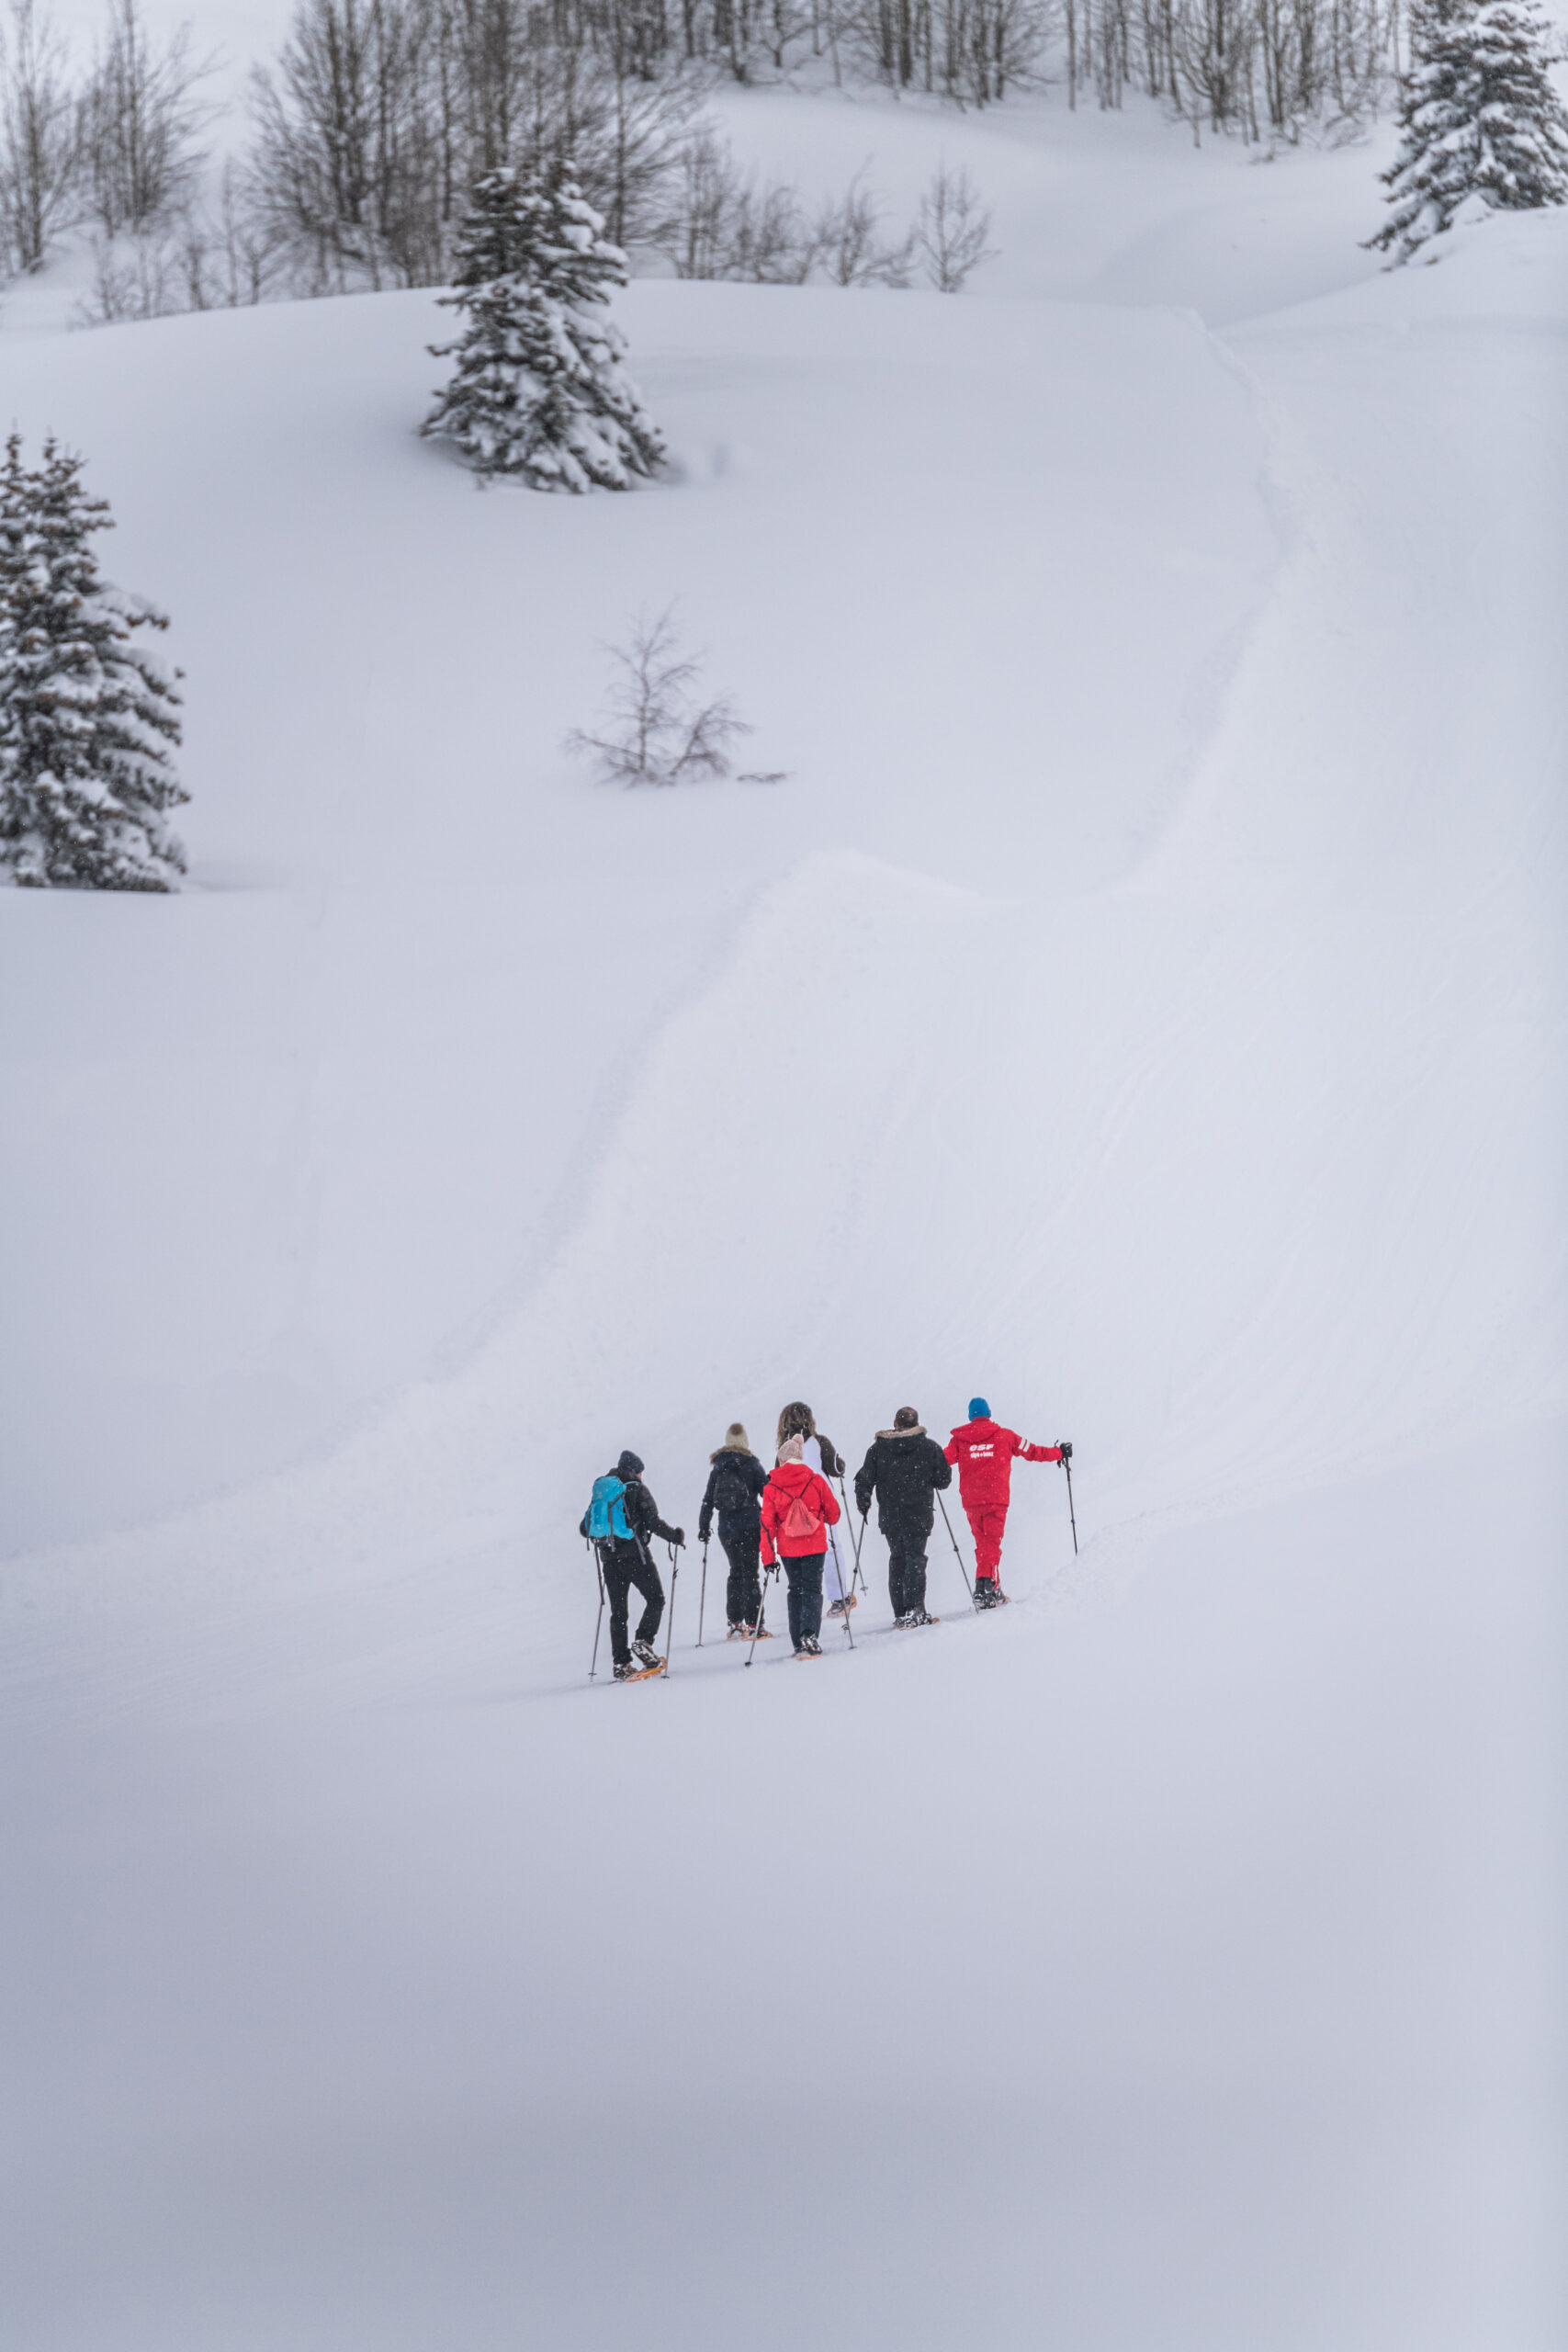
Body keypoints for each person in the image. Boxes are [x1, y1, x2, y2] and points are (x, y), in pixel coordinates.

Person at [943, 1399, 1066, 1607]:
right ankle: (987, 1588)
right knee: (991, 1543)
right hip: (995, 1498)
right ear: (989, 1413)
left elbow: (942, 1460)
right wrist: (1059, 1453)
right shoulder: (1006, 1436)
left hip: (971, 1500)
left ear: (970, 1416)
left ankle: (988, 1587)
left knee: (983, 1544)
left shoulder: (960, 1441)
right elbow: (1034, 1451)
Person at [580, 1448, 685, 1679]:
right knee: (656, 1598)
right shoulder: (636, 1489)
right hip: (635, 1557)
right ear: (634, 1470)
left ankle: (621, 1663)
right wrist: (675, 1536)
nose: (641, 1476)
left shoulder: (603, 1490)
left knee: (618, 1612)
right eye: (640, 1472)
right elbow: (653, 1522)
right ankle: (643, 1642)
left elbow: (583, 1527)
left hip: (608, 1559)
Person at [853, 1406, 953, 1626]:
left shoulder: (878, 1449)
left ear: (896, 1423)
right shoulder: (929, 1447)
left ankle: (900, 1612)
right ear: (916, 1424)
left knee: (898, 1558)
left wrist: (864, 1500)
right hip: (919, 1513)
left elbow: (864, 1479)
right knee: (915, 1559)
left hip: (891, 1515)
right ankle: (915, 1609)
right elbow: (944, 1480)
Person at [760, 1431, 840, 1657]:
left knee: (795, 1590)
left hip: (788, 1550)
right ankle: (810, 1633)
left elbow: (767, 1525)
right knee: (812, 1589)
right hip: (815, 1546)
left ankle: (798, 1642)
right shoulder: (815, 1480)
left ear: (781, 1460)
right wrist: (817, 1516)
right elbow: (834, 1515)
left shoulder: (771, 1488)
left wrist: (768, 1558)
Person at [775, 1402, 853, 1617]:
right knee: (831, 1546)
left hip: (794, 1505)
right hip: (820, 1497)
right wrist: (838, 1462)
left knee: (805, 1549)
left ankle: (804, 1596)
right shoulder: (819, 1442)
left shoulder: (784, 1447)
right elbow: (837, 1469)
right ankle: (839, 1597)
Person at [696, 1422, 770, 1637]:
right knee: (751, 1574)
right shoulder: (752, 1464)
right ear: (745, 1441)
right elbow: (767, 1492)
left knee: (735, 1572)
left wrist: (703, 1526)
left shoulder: (718, 1466)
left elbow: (708, 1500)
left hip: (727, 1528)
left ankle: (735, 1623)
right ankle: (756, 1624)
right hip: (750, 1525)